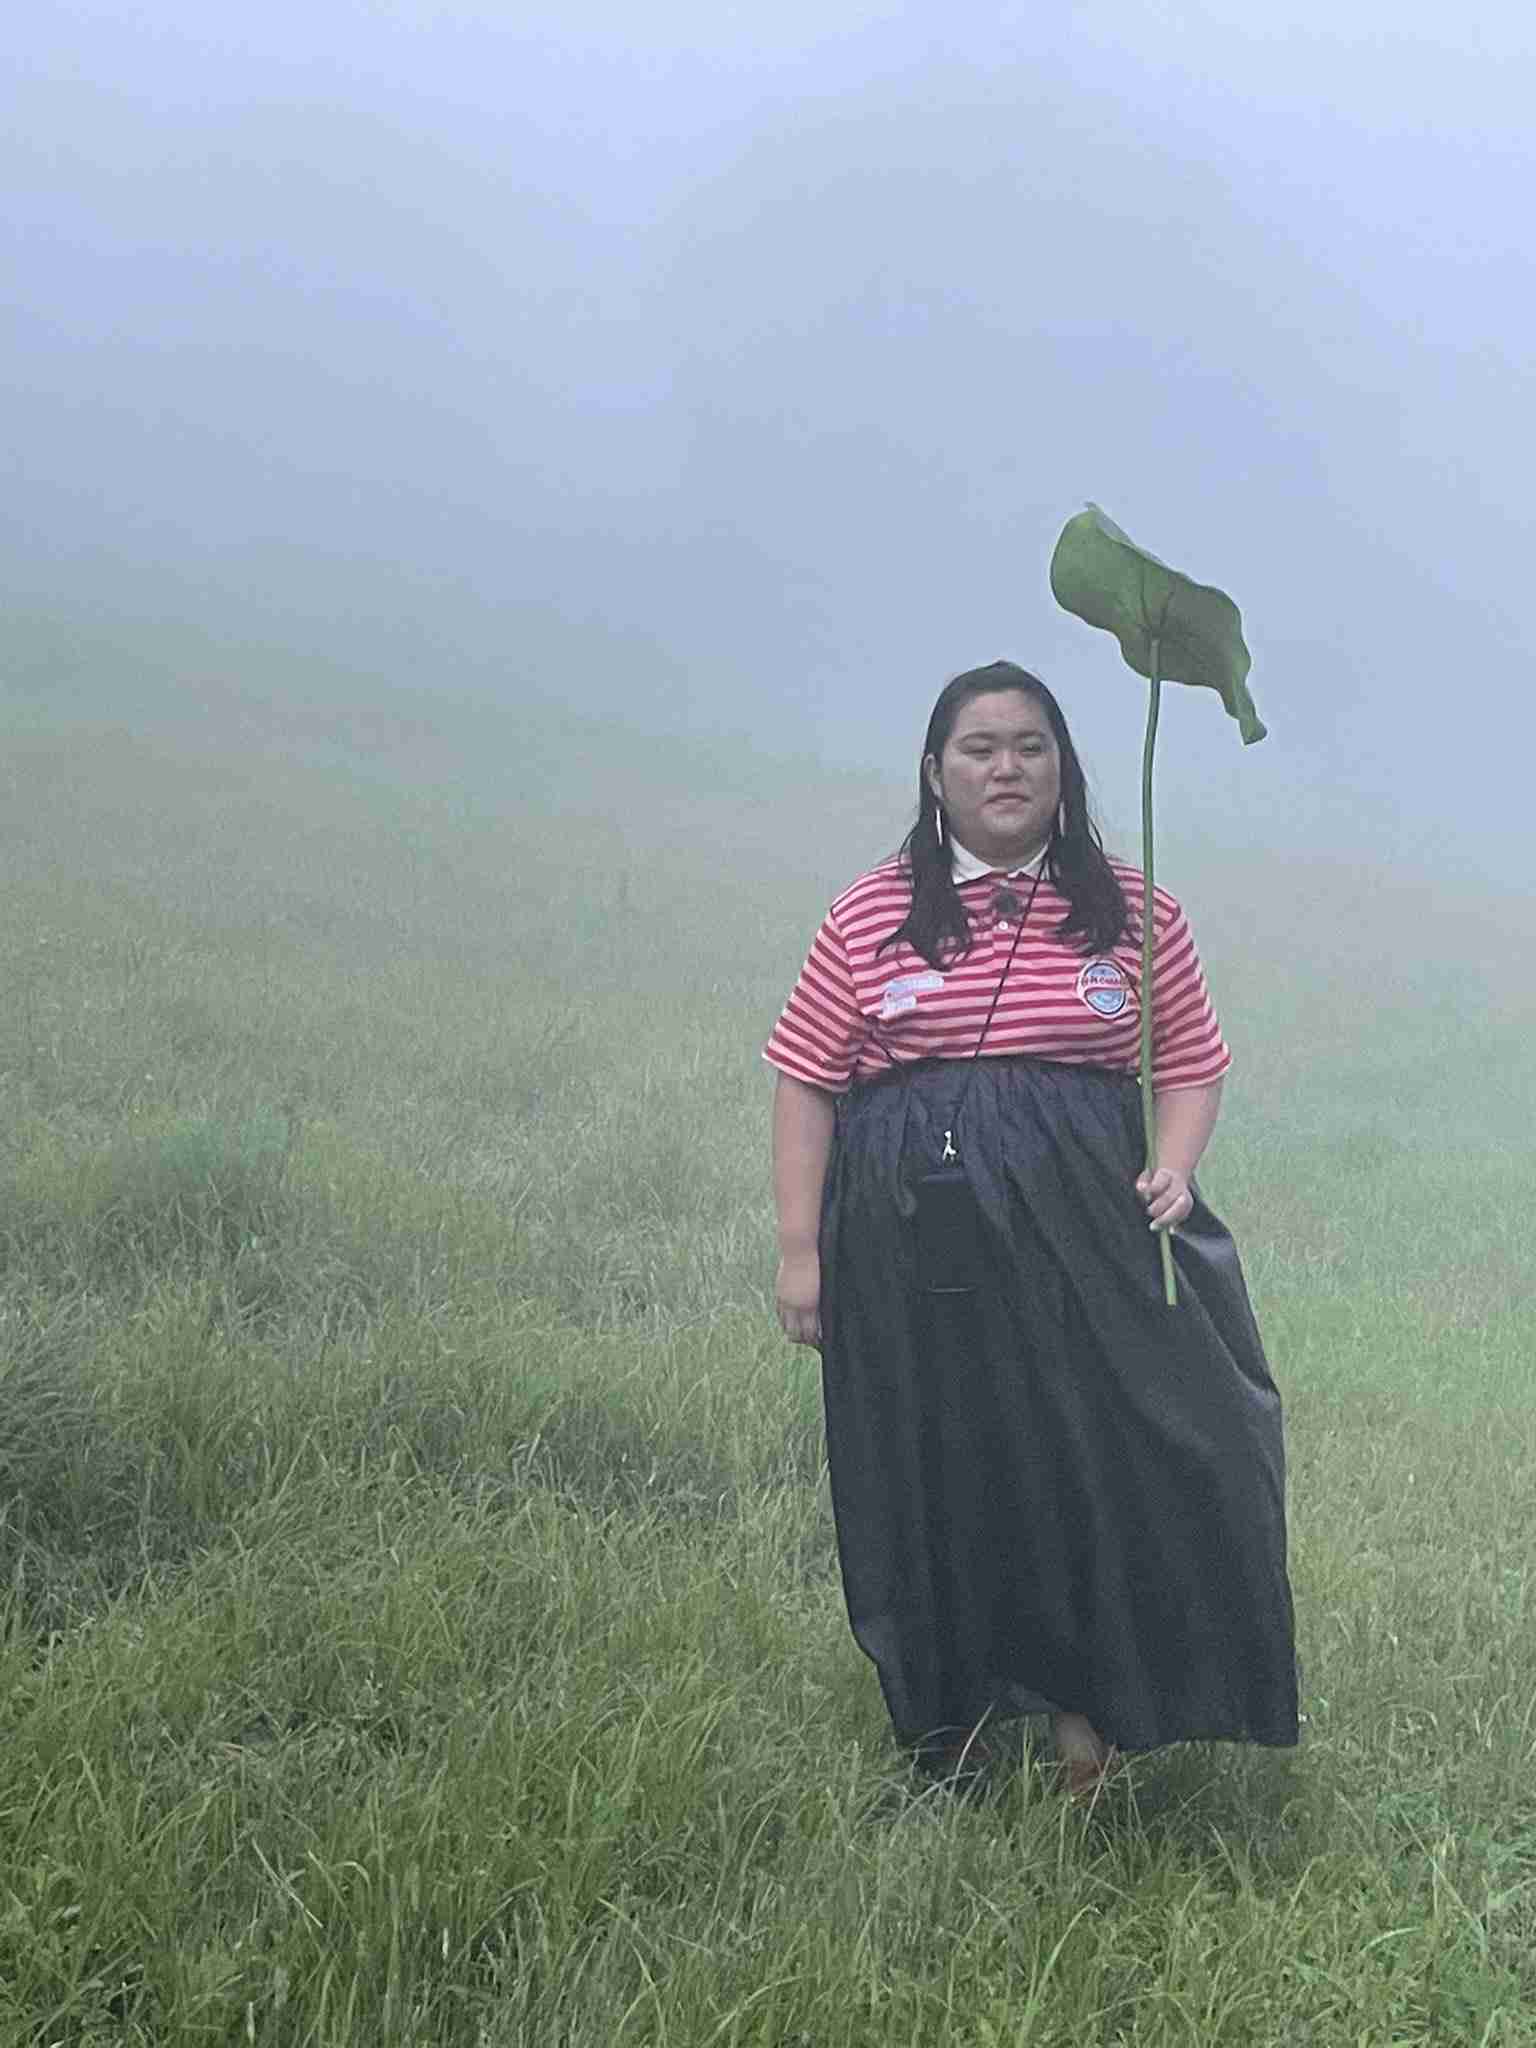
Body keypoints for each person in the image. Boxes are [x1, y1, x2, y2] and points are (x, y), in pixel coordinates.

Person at [765, 661, 1298, 1796]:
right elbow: (807, 1078)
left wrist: (1173, 1162)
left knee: (1092, 1457)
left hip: (1081, 1241)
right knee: (934, 1461)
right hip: (915, 1241)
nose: (1006, 767)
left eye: (1031, 745)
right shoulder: (870, 911)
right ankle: (947, 1723)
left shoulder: (1135, 906)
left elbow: (1193, 1064)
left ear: (1066, 768)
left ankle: (1085, 1718)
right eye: (979, 746)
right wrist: (801, 1250)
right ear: (933, 772)